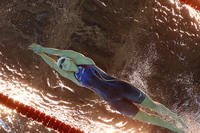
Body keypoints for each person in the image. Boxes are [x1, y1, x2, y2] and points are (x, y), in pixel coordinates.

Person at [29, 43, 187, 133]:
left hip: (123, 88)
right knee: (148, 118)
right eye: (62, 65)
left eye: (63, 61)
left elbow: (59, 52)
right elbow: (54, 66)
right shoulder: (75, 78)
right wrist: (40, 55)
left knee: (152, 106)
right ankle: (174, 127)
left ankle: (176, 118)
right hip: (115, 102)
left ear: (70, 59)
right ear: (64, 70)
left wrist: (42, 49)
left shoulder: (84, 62)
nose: (63, 64)